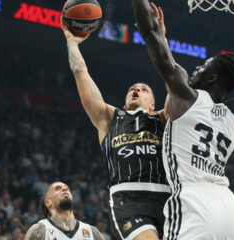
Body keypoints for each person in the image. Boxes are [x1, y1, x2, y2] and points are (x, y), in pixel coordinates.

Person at [132, 1, 234, 239]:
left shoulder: (187, 96)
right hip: (228, 208)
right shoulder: (232, 123)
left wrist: (154, 28)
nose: (195, 69)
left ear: (212, 78)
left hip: (194, 203)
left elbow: (149, 34)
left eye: (202, 67)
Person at [60, 5, 172, 240]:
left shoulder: (162, 118)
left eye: (143, 89)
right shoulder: (108, 118)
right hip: (129, 200)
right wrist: (71, 41)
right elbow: (81, 73)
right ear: (124, 100)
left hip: (170, 198)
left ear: (153, 104)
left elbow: (172, 77)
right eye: (132, 88)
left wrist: (161, 40)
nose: (136, 90)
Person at [24, 182, 105, 240]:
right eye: (57, 188)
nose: (64, 189)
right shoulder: (39, 230)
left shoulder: (92, 232)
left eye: (67, 188)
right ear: (48, 202)